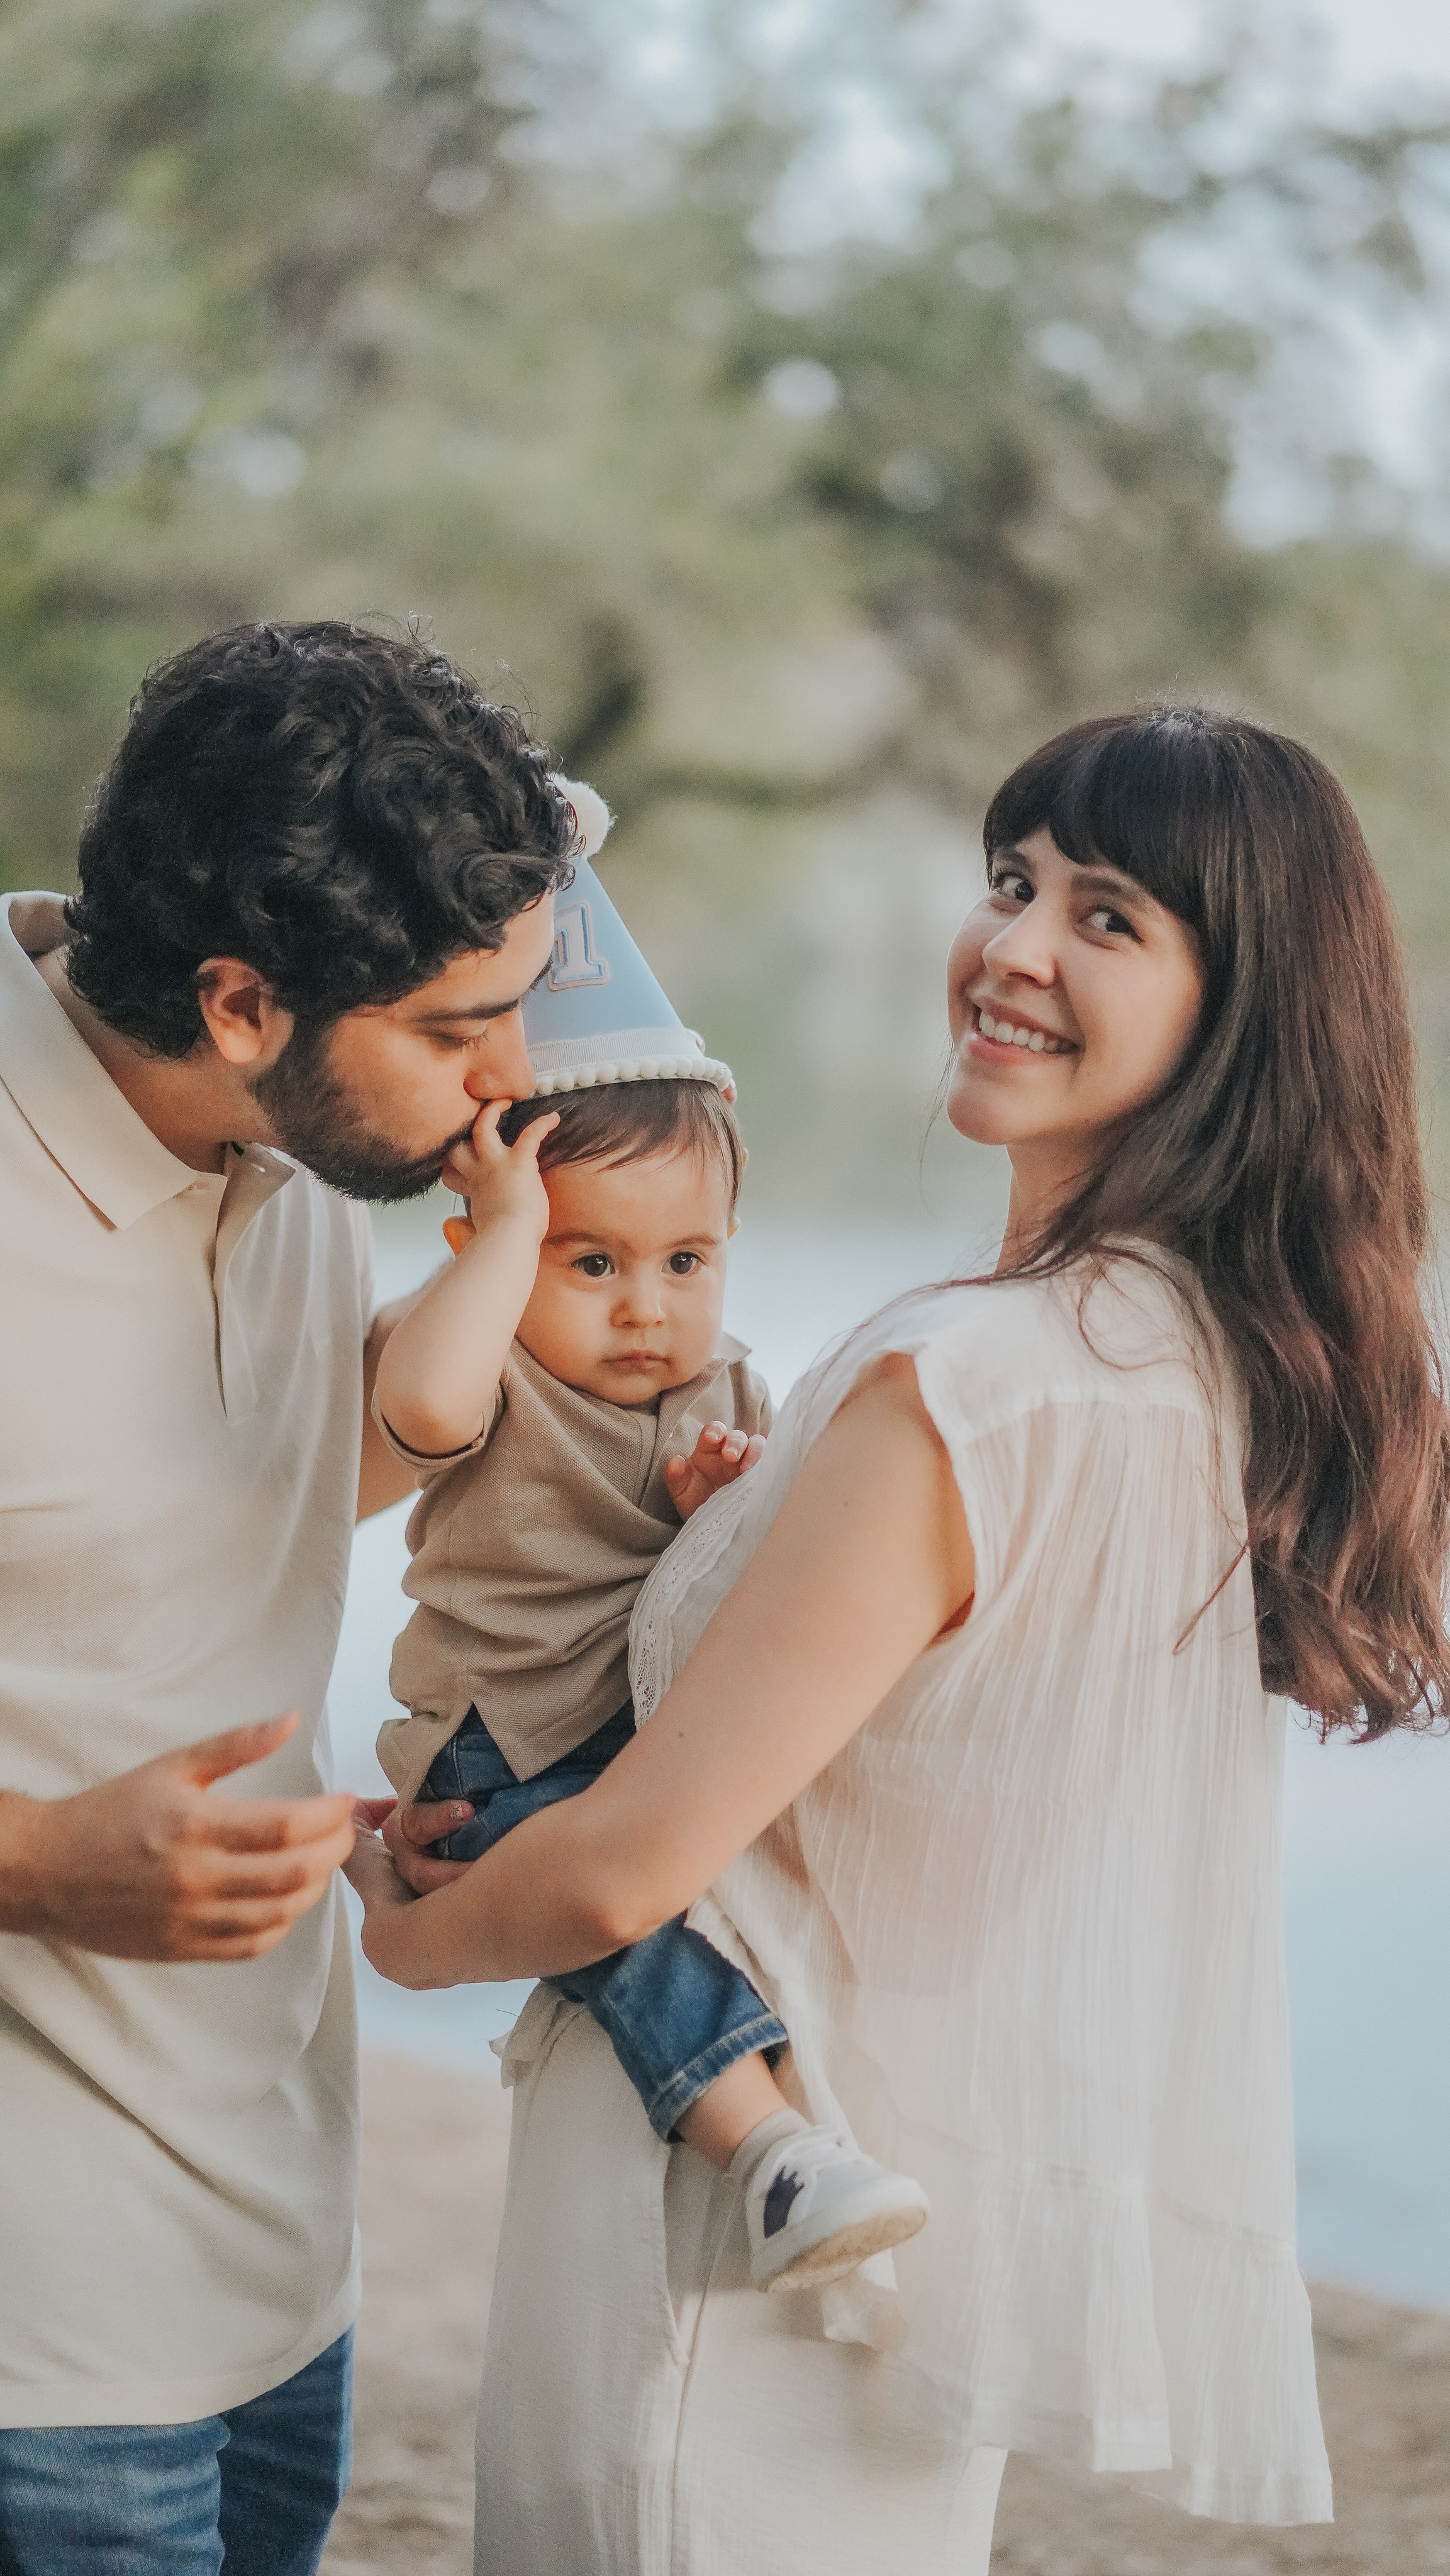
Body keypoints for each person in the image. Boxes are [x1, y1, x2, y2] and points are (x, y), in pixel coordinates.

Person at [351, 706, 1450, 2574]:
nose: (1011, 948)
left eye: (1108, 918)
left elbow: (619, 1870)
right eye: (1012, 881)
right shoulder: (1185, 1368)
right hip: (914, 2237)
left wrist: (404, 1922)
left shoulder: (965, 1379)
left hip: (711, 2263)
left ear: (1240, 1003)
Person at [0, 619, 581, 2575]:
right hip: (40, 2343)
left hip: (278, 2246)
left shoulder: (299, 1140)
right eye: (454, 1032)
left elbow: (199, 1512)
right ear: (241, 1000)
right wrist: (32, 1862)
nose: (514, 1076)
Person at [373, 824, 928, 2287]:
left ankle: (826, 2115)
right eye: (590, 1259)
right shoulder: (487, 1356)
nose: (644, 1309)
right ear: (496, 1247)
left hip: (646, 1744)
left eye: (687, 1261)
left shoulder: (724, 1392)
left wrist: (721, 1511)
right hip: (503, 1752)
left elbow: (757, 1607)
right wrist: (496, 1244)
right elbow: (418, 1410)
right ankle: (766, 2147)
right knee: (621, 1934)